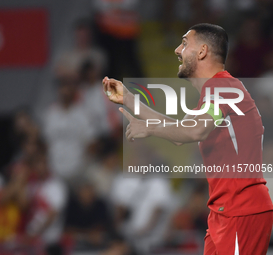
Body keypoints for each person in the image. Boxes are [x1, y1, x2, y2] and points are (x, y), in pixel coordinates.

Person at [102, 23, 273, 254]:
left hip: (241, 209)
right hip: (223, 212)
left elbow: (195, 131)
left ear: (202, 51)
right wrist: (129, 100)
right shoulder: (215, 94)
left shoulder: (223, 87)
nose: (176, 50)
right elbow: (180, 134)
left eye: (184, 43)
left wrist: (149, 128)